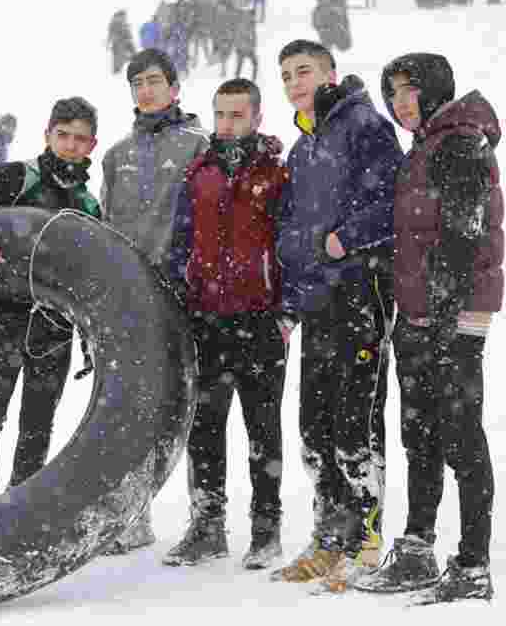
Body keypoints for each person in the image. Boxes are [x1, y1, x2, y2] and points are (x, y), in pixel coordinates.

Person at [352, 52, 503, 605]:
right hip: (421, 315)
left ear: (435, 89)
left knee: (461, 437)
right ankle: (417, 550)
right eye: (392, 92)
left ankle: (473, 565)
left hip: (455, 317)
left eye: (408, 89)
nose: (400, 102)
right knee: (420, 435)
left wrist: (439, 318)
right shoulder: (427, 147)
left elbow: (463, 238)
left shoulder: (461, 143)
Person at [269, 40, 402, 592]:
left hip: (361, 293)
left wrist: (345, 239)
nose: (296, 82)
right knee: (314, 428)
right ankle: (328, 538)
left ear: (331, 74)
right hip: (318, 303)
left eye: (305, 71)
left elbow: (394, 199)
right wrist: (290, 301)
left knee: (356, 425)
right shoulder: (302, 149)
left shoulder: (364, 124)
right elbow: (296, 234)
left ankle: (363, 543)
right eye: (286, 75)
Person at [163, 78, 289, 571]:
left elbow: (290, 245)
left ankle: (266, 528)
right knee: (205, 427)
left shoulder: (276, 174)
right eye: (222, 114)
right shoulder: (199, 173)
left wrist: (287, 312)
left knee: (263, 428)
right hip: (207, 320)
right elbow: (180, 242)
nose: (229, 123)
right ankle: (208, 525)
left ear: (257, 117)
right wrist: (182, 293)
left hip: (259, 322)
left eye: (239, 114)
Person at [0, 97, 102, 505]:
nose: (70, 146)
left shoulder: (88, 205)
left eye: (80, 139)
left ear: (91, 146)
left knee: (38, 424)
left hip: (55, 331)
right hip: (6, 318)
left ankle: (21, 505)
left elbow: (92, 276)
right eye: (63, 136)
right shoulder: (21, 177)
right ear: (48, 136)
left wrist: (90, 337)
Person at [100, 48, 211, 554]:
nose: (145, 91)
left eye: (153, 81)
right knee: (126, 408)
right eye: (137, 83)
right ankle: (132, 516)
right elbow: (103, 225)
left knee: (183, 408)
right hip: (124, 298)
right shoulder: (117, 155)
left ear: (173, 87)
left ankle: (205, 519)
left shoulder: (197, 145)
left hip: (179, 295)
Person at [107, 10, 136, 76]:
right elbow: (124, 31)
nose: (126, 17)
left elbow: (110, 33)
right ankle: (117, 72)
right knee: (120, 58)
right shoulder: (118, 21)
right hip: (120, 42)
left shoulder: (117, 21)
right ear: (121, 15)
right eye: (125, 15)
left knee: (120, 58)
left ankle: (117, 71)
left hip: (121, 42)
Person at [234, 10, 258, 81]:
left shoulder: (251, 23)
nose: (254, 18)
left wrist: (253, 44)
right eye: (253, 16)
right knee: (240, 65)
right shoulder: (245, 23)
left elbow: (253, 35)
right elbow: (239, 35)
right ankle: (237, 80)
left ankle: (253, 80)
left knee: (253, 64)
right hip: (243, 48)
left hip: (246, 48)